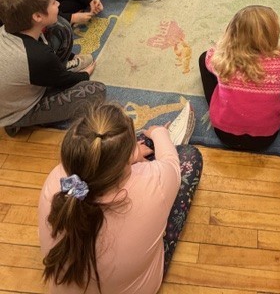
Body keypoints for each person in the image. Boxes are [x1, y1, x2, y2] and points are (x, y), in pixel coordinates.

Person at [39, 103, 203, 294]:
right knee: (189, 157)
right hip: (139, 287)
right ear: (127, 159)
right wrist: (159, 133)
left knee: (126, 143)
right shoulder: (154, 184)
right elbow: (172, 163)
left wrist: (127, 158)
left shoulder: (55, 182)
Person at [0, 0, 105, 138]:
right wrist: (84, 74)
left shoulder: (10, 28)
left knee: (60, 26)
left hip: (31, 75)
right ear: (37, 16)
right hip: (18, 109)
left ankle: (57, 68)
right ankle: (18, 123)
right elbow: (64, 80)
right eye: (54, 3)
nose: (58, 5)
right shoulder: (36, 56)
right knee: (96, 91)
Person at [199, 5, 280, 151]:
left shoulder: (222, 59)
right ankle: (273, 104)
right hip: (266, 138)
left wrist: (225, 45)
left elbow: (209, 55)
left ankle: (218, 103)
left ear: (231, 32)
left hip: (224, 134)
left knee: (203, 59)